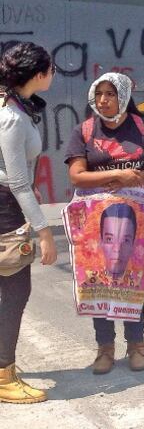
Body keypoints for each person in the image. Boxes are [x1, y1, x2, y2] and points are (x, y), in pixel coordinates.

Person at [65, 72, 144, 373]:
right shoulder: (84, 130)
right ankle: (104, 348)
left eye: (110, 94)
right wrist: (116, 177)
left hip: (135, 218)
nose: (103, 100)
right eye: (99, 94)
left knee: (132, 277)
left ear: (123, 96)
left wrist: (135, 179)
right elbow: (76, 175)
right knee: (99, 278)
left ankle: (136, 344)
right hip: (96, 220)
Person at [0, 42, 57, 404]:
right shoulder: (11, 117)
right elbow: (18, 182)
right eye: (51, 70)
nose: (53, 75)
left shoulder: (15, 107)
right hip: (6, 207)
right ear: (38, 75)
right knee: (15, 290)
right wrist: (45, 231)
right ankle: (4, 375)